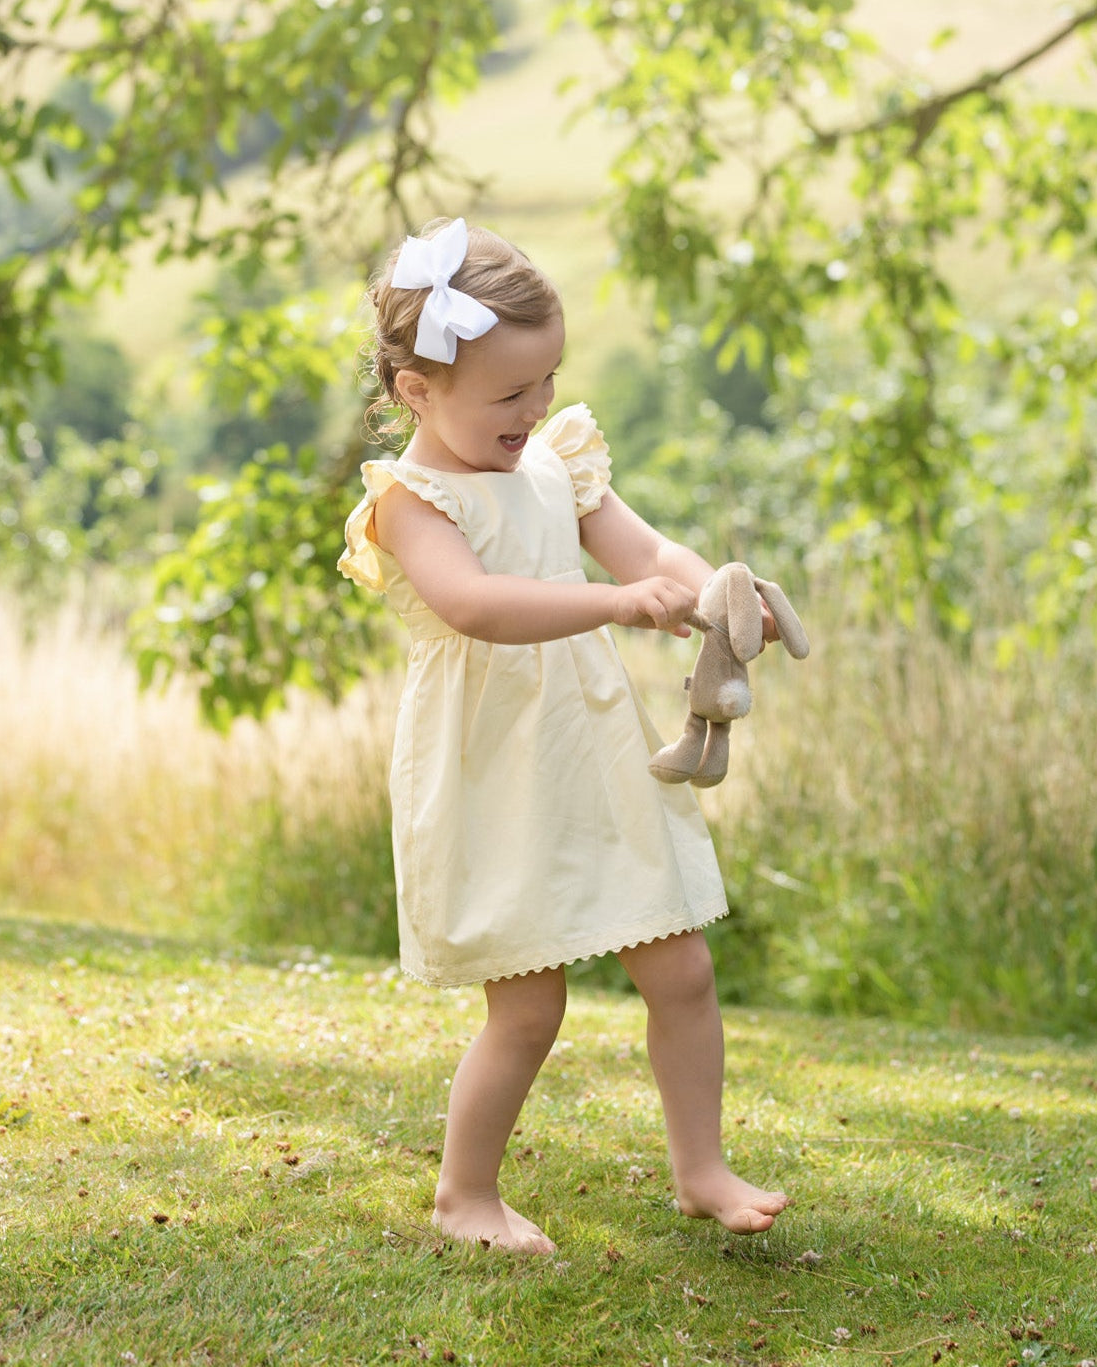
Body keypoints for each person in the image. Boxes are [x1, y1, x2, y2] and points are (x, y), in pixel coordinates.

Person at [338, 217, 788, 1253]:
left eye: (544, 381)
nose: (533, 408)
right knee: (528, 1006)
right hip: (495, 769)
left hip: (592, 754)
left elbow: (643, 549)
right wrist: (616, 604)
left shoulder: (556, 457)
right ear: (416, 390)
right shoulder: (410, 500)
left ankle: (700, 1167)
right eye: (507, 393)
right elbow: (478, 605)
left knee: (680, 970)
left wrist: (709, 589)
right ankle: (465, 1192)